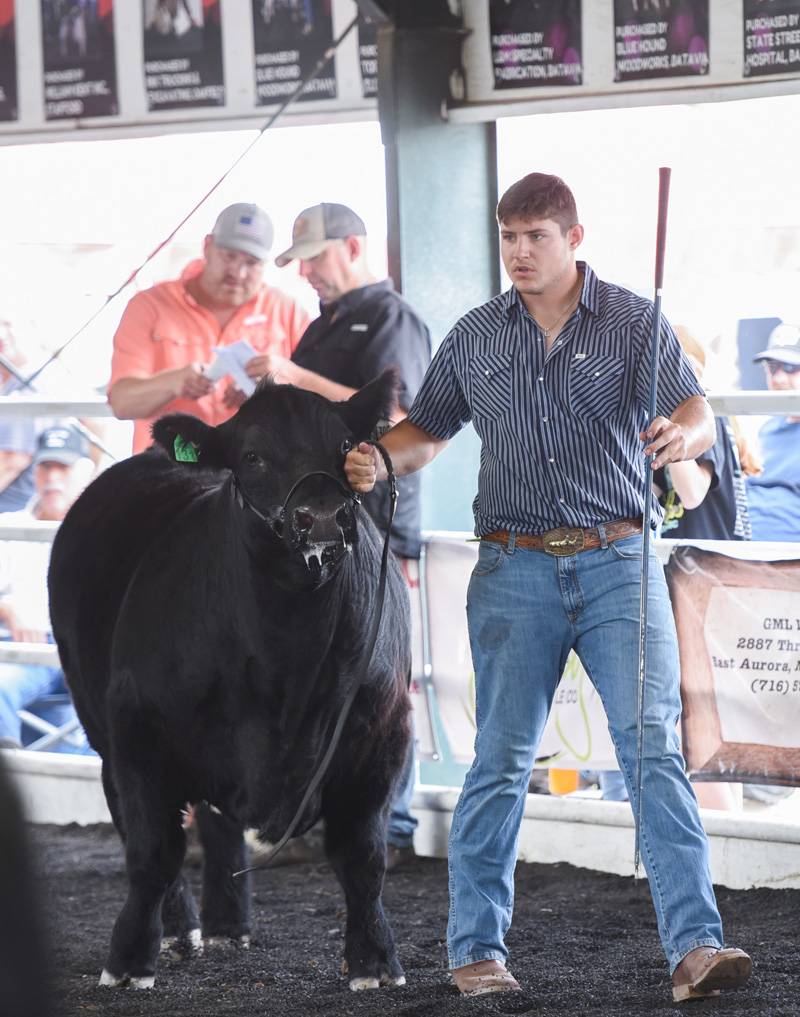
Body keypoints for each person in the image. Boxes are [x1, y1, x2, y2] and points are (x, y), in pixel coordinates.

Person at [344, 173, 752, 1002]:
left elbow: (699, 411)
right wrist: (385, 455)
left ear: (574, 237)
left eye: (535, 236)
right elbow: (430, 426)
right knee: (499, 759)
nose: (520, 252)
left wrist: (683, 432)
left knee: (651, 748)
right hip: (512, 565)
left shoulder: (636, 322)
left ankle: (697, 947)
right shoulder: (476, 335)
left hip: (619, 559)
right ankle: (475, 951)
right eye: (508, 237)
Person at [256, 202, 432, 867]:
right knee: (321, 669)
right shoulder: (324, 323)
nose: (306, 273)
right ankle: (323, 818)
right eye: (300, 262)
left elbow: (403, 418)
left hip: (375, 522)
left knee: (380, 674)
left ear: (354, 247)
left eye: (315, 257)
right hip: (320, 522)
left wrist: (294, 377)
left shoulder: (391, 318)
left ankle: (391, 822)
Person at [108, 202, 309, 453]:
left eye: (252, 262)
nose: (238, 271)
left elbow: (316, 404)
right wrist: (173, 383)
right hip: (170, 471)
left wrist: (269, 396)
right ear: (207, 247)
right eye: (229, 255)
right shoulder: (149, 306)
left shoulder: (288, 312)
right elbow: (121, 404)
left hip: (258, 476)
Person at [0, 426, 95, 753]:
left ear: (85, 472)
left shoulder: (105, 528)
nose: (53, 477)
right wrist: (7, 609)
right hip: (24, 648)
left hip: (87, 651)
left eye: (63, 468)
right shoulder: (9, 524)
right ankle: (12, 783)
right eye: (46, 466)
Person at [655, 327, 752, 542]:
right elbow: (651, 492)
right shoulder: (655, 422)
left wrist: (669, 422)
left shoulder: (708, 416)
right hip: (685, 557)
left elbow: (692, 494)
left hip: (713, 559)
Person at [746, 324, 800, 542]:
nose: (778, 379)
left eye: (790, 368)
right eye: (772, 367)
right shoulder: (765, 430)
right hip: (738, 550)